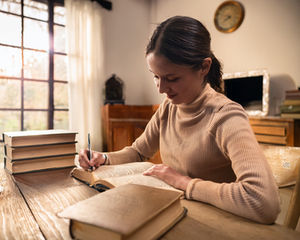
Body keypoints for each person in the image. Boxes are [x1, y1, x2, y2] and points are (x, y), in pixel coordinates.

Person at [79, 16, 280, 224]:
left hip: (215, 224)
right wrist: (103, 158)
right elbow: (139, 152)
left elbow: (263, 202)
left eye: (172, 78)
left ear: (204, 67)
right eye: (156, 76)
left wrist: (184, 183)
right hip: (175, 212)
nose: (161, 89)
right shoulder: (169, 107)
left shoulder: (225, 116)